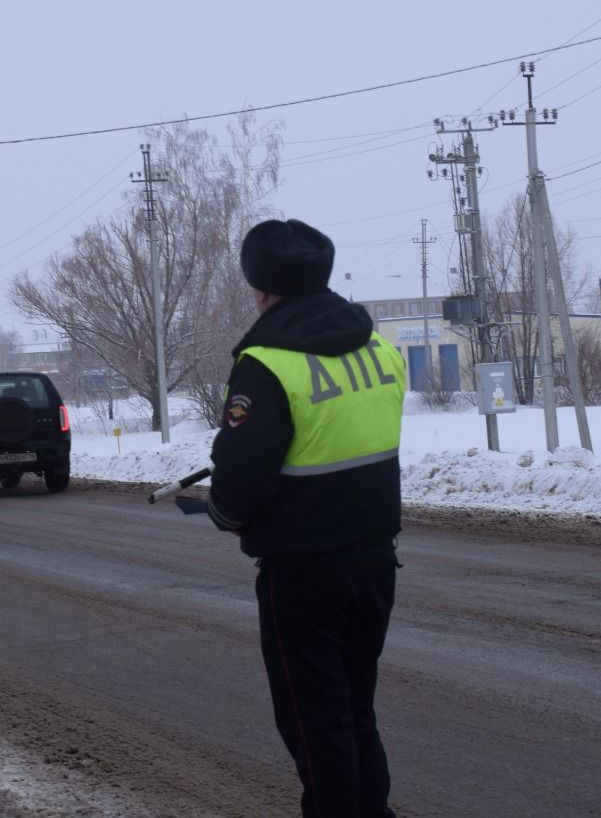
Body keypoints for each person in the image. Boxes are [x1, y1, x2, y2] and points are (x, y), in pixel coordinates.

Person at [207, 218, 406, 818]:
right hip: (375, 561)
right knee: (354, 709)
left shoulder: (266, 364)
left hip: (303, 575)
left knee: (313, 719)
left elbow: (239, 485)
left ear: (262, 288)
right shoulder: (379, 349)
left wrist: (221, 510)